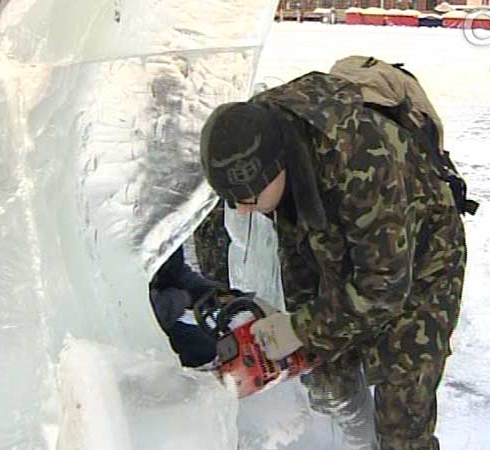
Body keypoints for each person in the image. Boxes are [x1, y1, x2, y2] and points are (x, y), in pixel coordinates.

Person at [199, 66, 468, 450]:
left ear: (277, 169)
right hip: (340, 235)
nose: (242, 211)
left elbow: (382, 289)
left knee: (401, 411)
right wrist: (301, 338)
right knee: (329, 384)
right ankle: (356, 441)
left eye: (248, 198)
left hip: (423, 254)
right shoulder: (260, 137)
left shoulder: (360, 159)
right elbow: (298, 260)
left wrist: (301, 329)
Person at [149, 245, 221, 368]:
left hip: (164, 323)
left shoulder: (162, 239)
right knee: (204, 352)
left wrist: (212, 291)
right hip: (137, 332)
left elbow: (175, 273)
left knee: (216, 345)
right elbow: (149, 307)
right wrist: (186, 297)